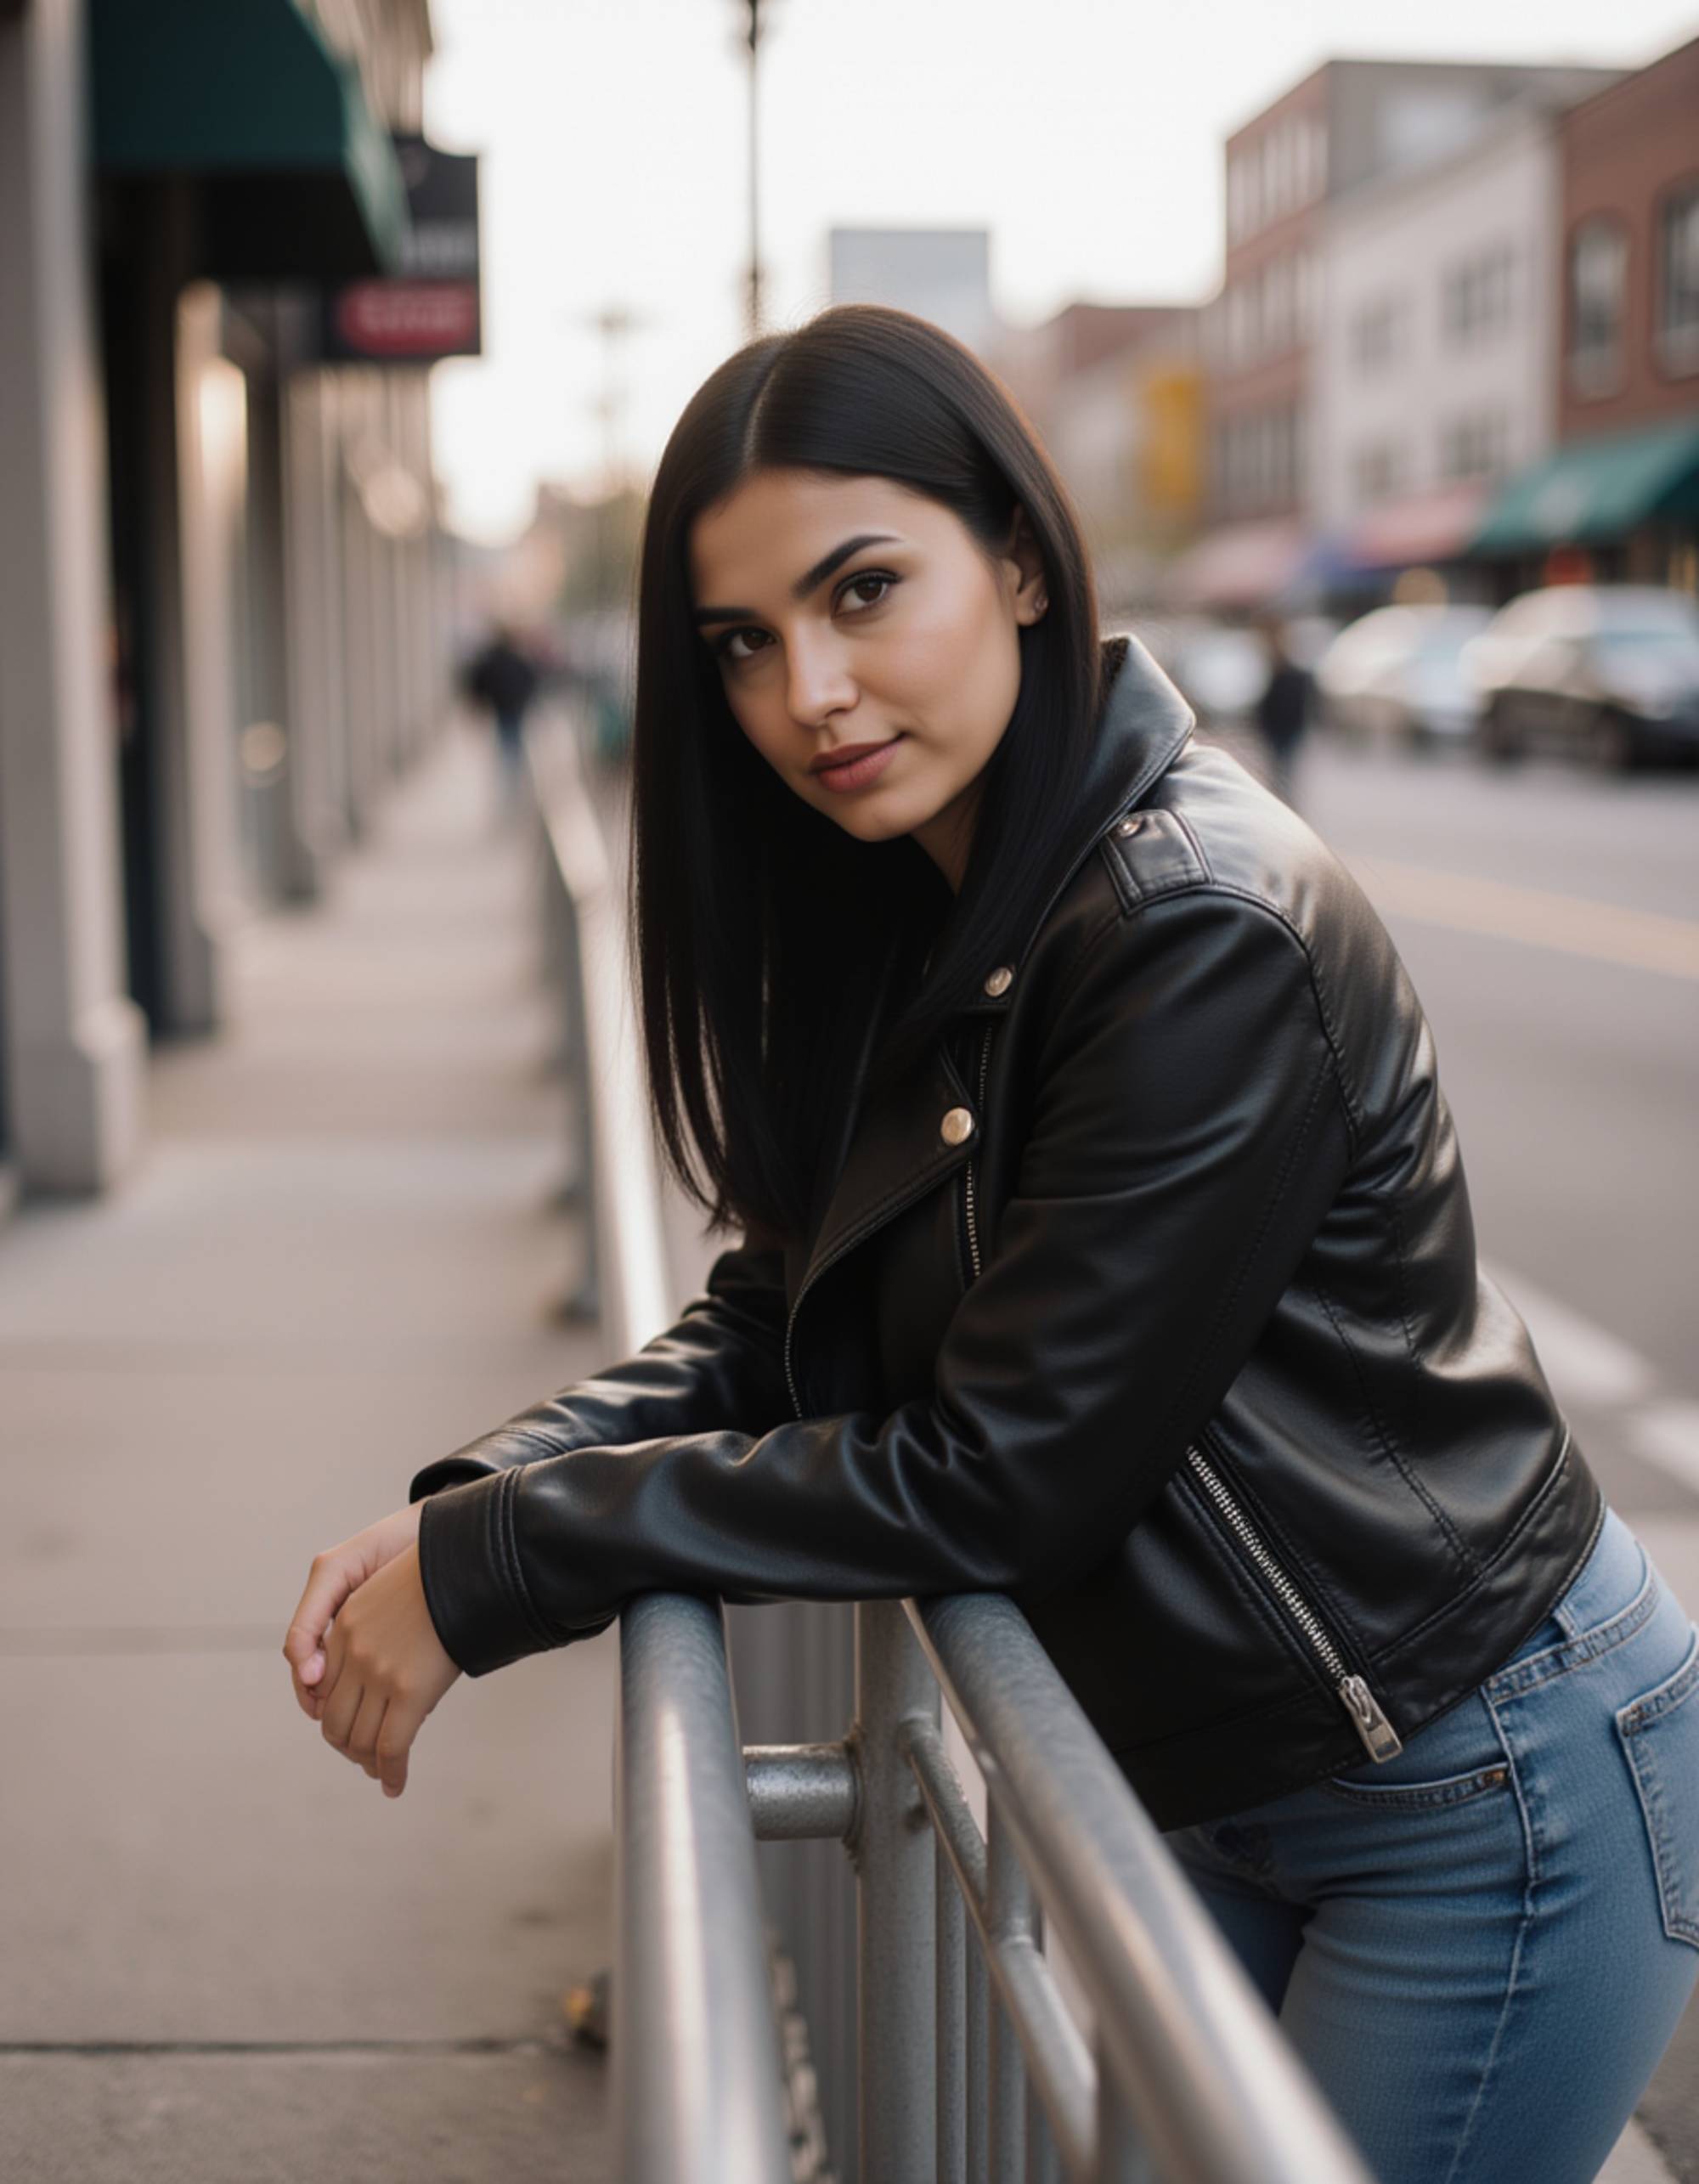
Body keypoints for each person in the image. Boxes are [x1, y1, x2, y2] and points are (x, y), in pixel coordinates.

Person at [281, 305, 1699, 2183]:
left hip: (1472, 1786)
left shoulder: (1193, 926)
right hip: (1221, 1777)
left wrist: (517, 1560)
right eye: (743, 644)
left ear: (1018, 557)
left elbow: (1003, 1474)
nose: (810, 692)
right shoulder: (935, 895)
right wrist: (492, 1479)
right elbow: (787, 1308)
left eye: (863, 591)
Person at [462, 620, 540, 820]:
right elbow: (530, 679)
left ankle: (511, 791)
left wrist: (478, 706)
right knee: (512, 748)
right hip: (513, 709)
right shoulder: (515, 659)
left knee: (508, 747)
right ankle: (513, 791)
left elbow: (477, 683)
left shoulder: (492, 660)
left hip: (504, 709)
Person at [1251, 614, 1312, 809]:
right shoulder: (1273, 669)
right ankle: (1282, 800)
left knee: (1283, 768)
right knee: (1279, 768)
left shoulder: (1290, 673)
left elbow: (1297, 703)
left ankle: (1283, 801)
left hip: (1286, 727)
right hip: (1278, 727)